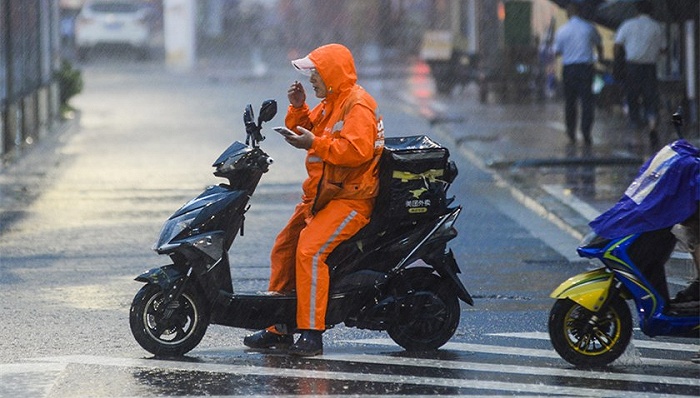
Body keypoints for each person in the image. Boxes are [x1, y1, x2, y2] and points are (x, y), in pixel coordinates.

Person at [243, 43, 385, 356]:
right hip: (322, 196)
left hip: (350, 200)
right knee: (285, 247)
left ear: (332, 74)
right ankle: (278, 327)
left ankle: (311, 333)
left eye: (316, 73)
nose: (311, 79)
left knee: (309, 250)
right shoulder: (333, 101)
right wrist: (297, 106)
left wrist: (315, 143)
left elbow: (356, 151)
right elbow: (307, 131)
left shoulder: (357, 104)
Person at [614, 0, 666, 149]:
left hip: (632, 67)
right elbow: (663, 50)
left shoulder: (628, 25)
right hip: (650, 67)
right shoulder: (656, 27)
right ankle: (652, 128)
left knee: (633, 99)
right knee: (651, 98)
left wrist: (620, 60)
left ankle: (636, 136)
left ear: (636, 10)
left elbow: (617, 45)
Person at [553, 3, 603, 146]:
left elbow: (557, 52)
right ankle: (586, 132)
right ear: (580, 13)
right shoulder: (589, 27)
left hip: (569, 69)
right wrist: (598, 58)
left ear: (568, 14)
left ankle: (571, 132)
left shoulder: (562, 31)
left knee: (570, 102)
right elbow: (598, 44)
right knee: (587, 102)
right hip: (586, 69)